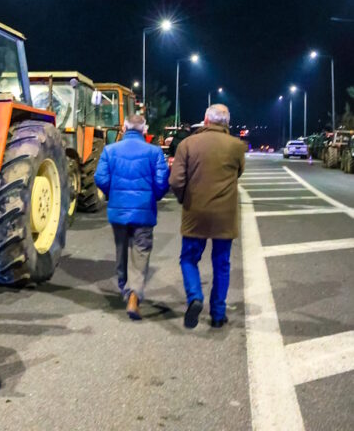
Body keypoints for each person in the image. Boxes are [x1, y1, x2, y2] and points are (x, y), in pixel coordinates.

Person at [169, 104, 245, 329]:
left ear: (205, 119)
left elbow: (175, 181)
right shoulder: (237, 146)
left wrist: (184, 199)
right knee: (222, 264)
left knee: (189, 259)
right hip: (225, 215)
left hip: (196, 213)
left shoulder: (187, 144)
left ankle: (195, 297)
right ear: (227, 123)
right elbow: (239, 172)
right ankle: (218, 315)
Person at [95, 114, 170, 320]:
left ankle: (124, 287)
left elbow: (100, 177)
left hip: (118, 210)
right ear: (144, 130)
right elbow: (163, 180)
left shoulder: (110, 150)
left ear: (125, 128)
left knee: (121, 250)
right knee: (141, 251)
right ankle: (134, 294)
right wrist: (153, 196)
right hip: (144, 210)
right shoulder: (154, 152)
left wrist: (114, 193)